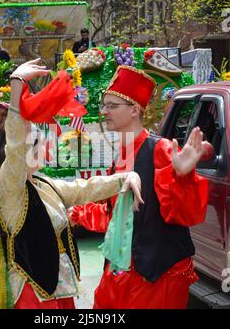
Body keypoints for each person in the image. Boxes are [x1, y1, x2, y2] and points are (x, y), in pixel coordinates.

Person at [0, 59, 143, 309]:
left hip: (57, 290)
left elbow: (84, 189)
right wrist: (17, 84)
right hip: (30, 293)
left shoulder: (42, 183)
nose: (47, 146)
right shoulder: (10, 188)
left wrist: (125, 177)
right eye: (41, 142)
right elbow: (17, 145)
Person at [70, 65, 209, 309]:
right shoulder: (121, 155)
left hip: (157, 275)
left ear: (135, 110)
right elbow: (114, 215)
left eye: (112, 106)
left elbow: (182, 212)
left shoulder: (161, 149)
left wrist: (183, 176)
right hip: (121, 268)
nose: (105, 112)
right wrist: (75, 212)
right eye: (104, 105)